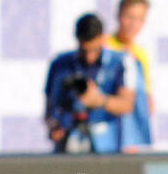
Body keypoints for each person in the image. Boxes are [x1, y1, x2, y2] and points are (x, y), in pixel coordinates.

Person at [44, 13, 137, 153]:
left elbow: (127, 104)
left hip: (106, 147)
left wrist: (99, 100)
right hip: (68, 146)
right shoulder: (60, 65)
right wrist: (55, 125)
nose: (89, 57)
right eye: (84, 51)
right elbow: (50, 106)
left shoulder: (120, 63)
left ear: (102, 39)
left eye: (94, 50)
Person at [106, 0, 154, 150]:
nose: (134, 24)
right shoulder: (104, 46)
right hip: (107, 129)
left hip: (129, 138)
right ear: (118, 15)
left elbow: (145, 97)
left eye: (140, 19)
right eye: (129, 17)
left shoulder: (140, 54)